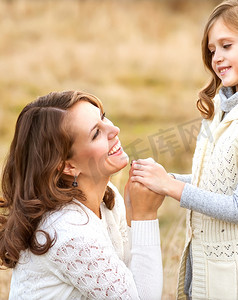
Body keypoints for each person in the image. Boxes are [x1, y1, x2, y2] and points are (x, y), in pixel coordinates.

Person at [130, 0, 238, 299]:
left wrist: (170, 186)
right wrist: (160, 178)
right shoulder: (222, 106)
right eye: (212, 50)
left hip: (236, 278)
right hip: (206, 263)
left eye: (226, 45)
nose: (217, 58)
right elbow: (215, 185)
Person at [0, 91, 164, 299]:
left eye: (103, 117)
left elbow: (131, 279)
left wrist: (133, 217)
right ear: (67, 166)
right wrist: (144, 216)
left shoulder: (107, 198)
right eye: (96, 133)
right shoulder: (69, 232)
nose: (115, 129)